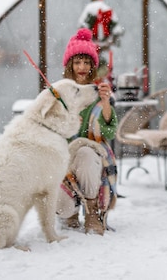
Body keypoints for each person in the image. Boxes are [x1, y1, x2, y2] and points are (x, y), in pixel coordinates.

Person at [56, 28, 118, 234]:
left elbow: (109, 133)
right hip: (63, 156)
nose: (82, 67)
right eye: (77, 62)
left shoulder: (97, 93)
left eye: (86, 62)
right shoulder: (61, 94)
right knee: (60, 208)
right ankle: (70, 210)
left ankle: (92, 210)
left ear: (92, 65)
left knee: (85, 152)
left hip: (90, 158)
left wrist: (105, 103)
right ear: (69, 65)